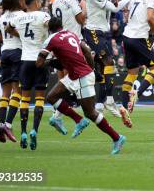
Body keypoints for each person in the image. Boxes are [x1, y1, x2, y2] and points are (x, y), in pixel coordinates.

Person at [38, 17, 125, 154]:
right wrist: (91, 68)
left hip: (81, 76)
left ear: (49, 28)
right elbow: (85, 49)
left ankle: (117, 137)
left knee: (90, 113)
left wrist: (47, 61)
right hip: (74, 75)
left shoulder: (51, 39)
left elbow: (39, 63)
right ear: (61, 25)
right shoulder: (70, 33)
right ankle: (78, 120)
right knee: (52, 97)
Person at [7, 0, 50, 150]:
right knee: (39, 98)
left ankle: (23, 132)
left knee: (24, 98)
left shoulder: (18, 18)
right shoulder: (43, 15)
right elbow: (52, 25)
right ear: (37, 2)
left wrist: (22, 37)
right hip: (41, 59)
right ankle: (34, 131)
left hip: (25, 60)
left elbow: (8, 28)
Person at [84, 0, 131, 117]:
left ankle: (99, 103)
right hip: (93, 32)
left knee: (103, 66)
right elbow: (115, 8)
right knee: (109, 61)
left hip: (105, 33)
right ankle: (109, 99)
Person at [120, 0, 154, 127]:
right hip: (139, 37)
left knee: (132, 72)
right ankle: (136, 95)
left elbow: (129, 16)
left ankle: (124, 106)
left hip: (127, 36)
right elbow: (150, 17)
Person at [50, 0, 87, 135]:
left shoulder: (55, 2)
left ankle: (57, 114)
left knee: (65, 81)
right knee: (72, 81)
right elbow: (81, 19)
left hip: (59, 41)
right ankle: (58, 116)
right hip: (72, 43)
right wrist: (84, 6)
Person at [0, 0, 25, 143]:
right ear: (18, 1)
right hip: (18, 53)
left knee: (5, 92)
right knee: (17, 91)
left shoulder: (2, 17)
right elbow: (24, 34)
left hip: (5, 53)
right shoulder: (22, 16)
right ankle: (8, 124)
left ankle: (0, 123)